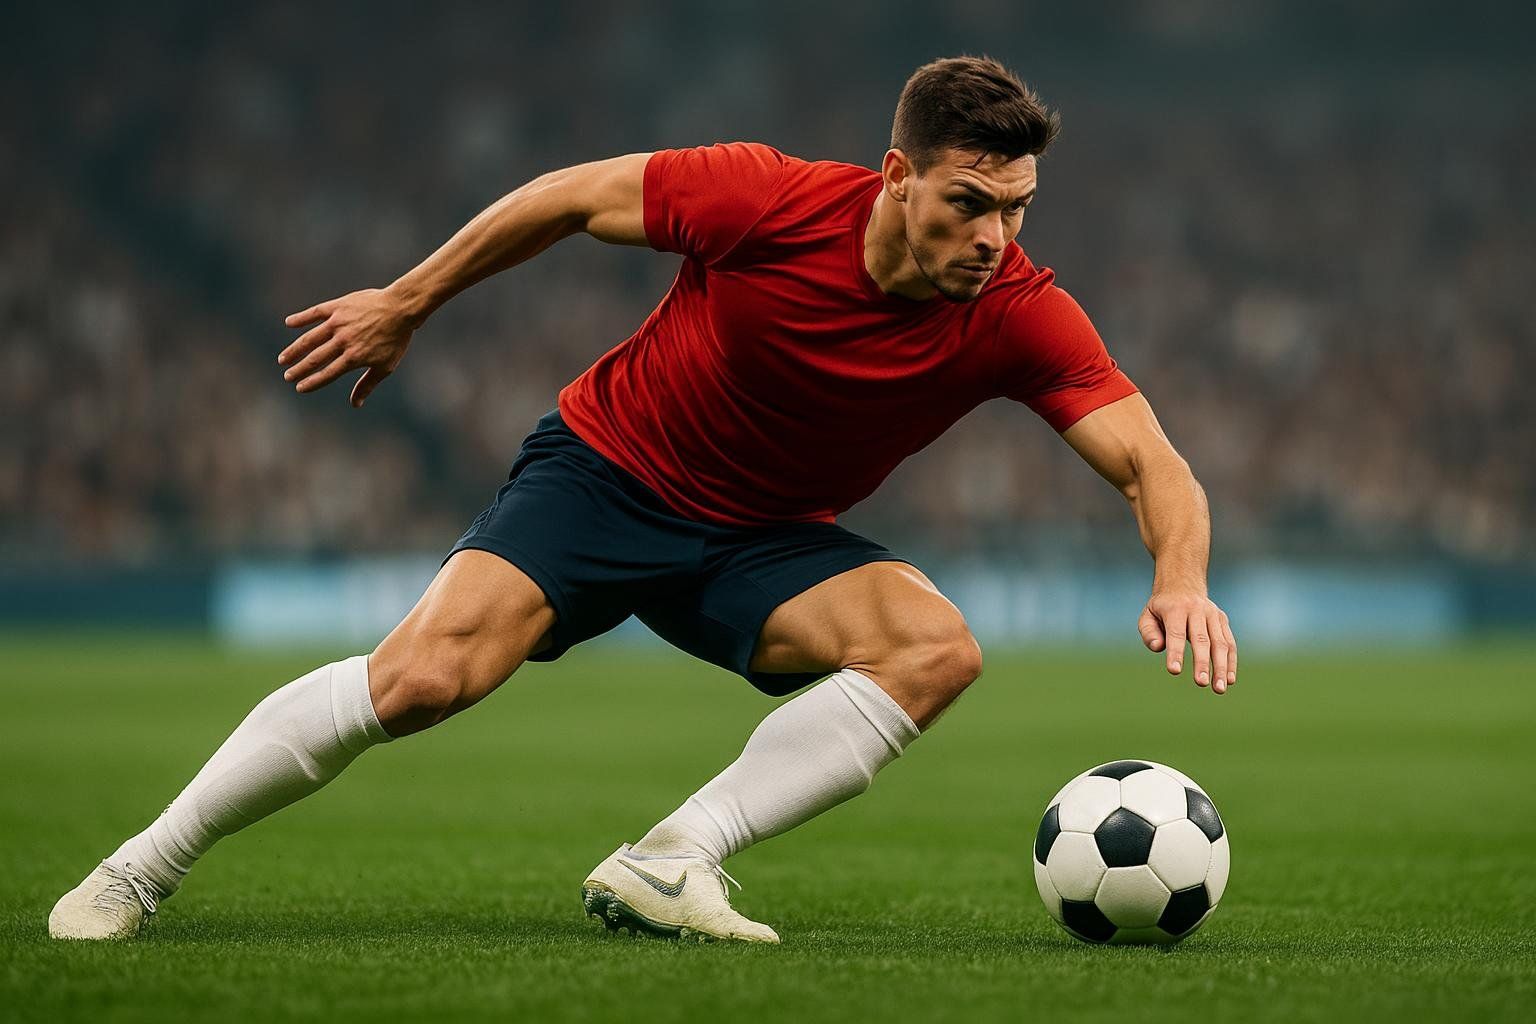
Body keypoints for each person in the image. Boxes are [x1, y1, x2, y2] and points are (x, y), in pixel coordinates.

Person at [49, 56, 1237, 944]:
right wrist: (410, 299)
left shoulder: (1020, 309)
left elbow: (1153, 463)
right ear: (897, 177)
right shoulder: (767, 201)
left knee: (935, 647)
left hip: (761, 542)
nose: (995, 235)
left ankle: (676, 858)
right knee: (420, 680)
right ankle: (139, 866)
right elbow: (568, 197)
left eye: (1018, 206)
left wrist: (1178, 572)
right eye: (969, 202)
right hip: (607, 474)